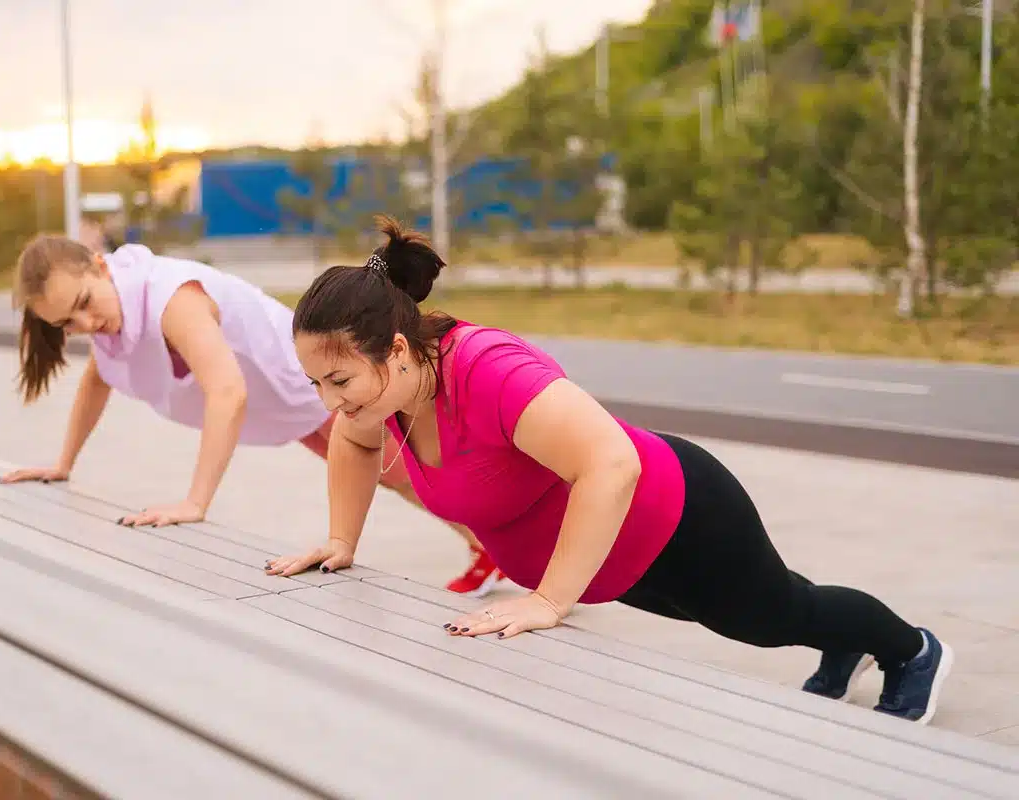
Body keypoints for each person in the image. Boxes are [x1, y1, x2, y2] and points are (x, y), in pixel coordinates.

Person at [265, 215, 952, 725]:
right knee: (771, 606)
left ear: (394, 348)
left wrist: (549, 602)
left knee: (770, 616)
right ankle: (844, 642)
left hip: (674, 513)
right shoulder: (386, 391)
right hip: (615, 559)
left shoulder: (487, 370)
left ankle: (910, 650)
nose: (330, 402)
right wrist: (341, 540)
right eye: (317, 383)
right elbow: (352, 444)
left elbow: (610, 462)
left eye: (338, 379)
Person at [0, 234, 499, 594]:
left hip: (311, 383)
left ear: (102, 266)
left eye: (84, 302)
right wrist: (64, 463)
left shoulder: (171, 298)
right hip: (290, 405)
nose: (86, 322)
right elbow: (97, 381)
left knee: (408, 473)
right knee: (400, 477)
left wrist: (195, 502)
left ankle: (504, 548)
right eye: (68, 322)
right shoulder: (112, 324)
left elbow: (227, 392)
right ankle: (490, 549)